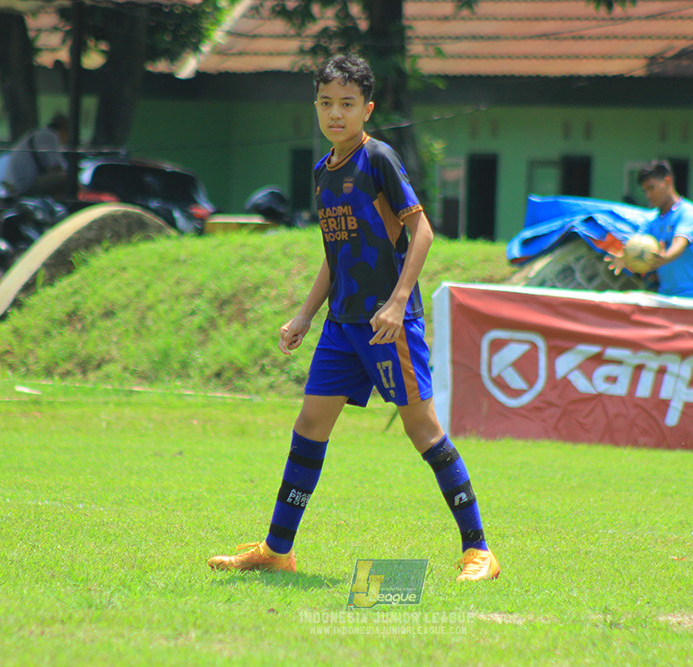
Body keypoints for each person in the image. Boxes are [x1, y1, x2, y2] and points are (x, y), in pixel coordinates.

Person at [207, 54, 500, 582]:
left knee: (424, 432)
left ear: (366, 108)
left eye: (346, 104)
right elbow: (332, 254)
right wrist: (303, 315)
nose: (334, 114)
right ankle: (278, 550)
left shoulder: (379, 158)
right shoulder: (322, 173)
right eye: (324, 103)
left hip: (390, 324)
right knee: (309, 427)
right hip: (341, 328)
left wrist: (397, 299)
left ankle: (479, 551)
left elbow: (423, 231)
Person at [607, 160, 693, 299]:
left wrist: (665, 257)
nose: (648, 195)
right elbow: (637, 246)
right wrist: (626, 258)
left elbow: (679, 243)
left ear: (667, 181)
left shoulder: (688, 213)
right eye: (645, 190)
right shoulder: (652, 219)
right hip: (667, 296)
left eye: (652, 188)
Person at [1, 113, 69, 196]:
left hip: (15, 184)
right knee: (66, 179)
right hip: (23, 186)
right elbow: (56, 167)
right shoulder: (49, 135)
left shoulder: (38, 134)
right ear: (63, 128)